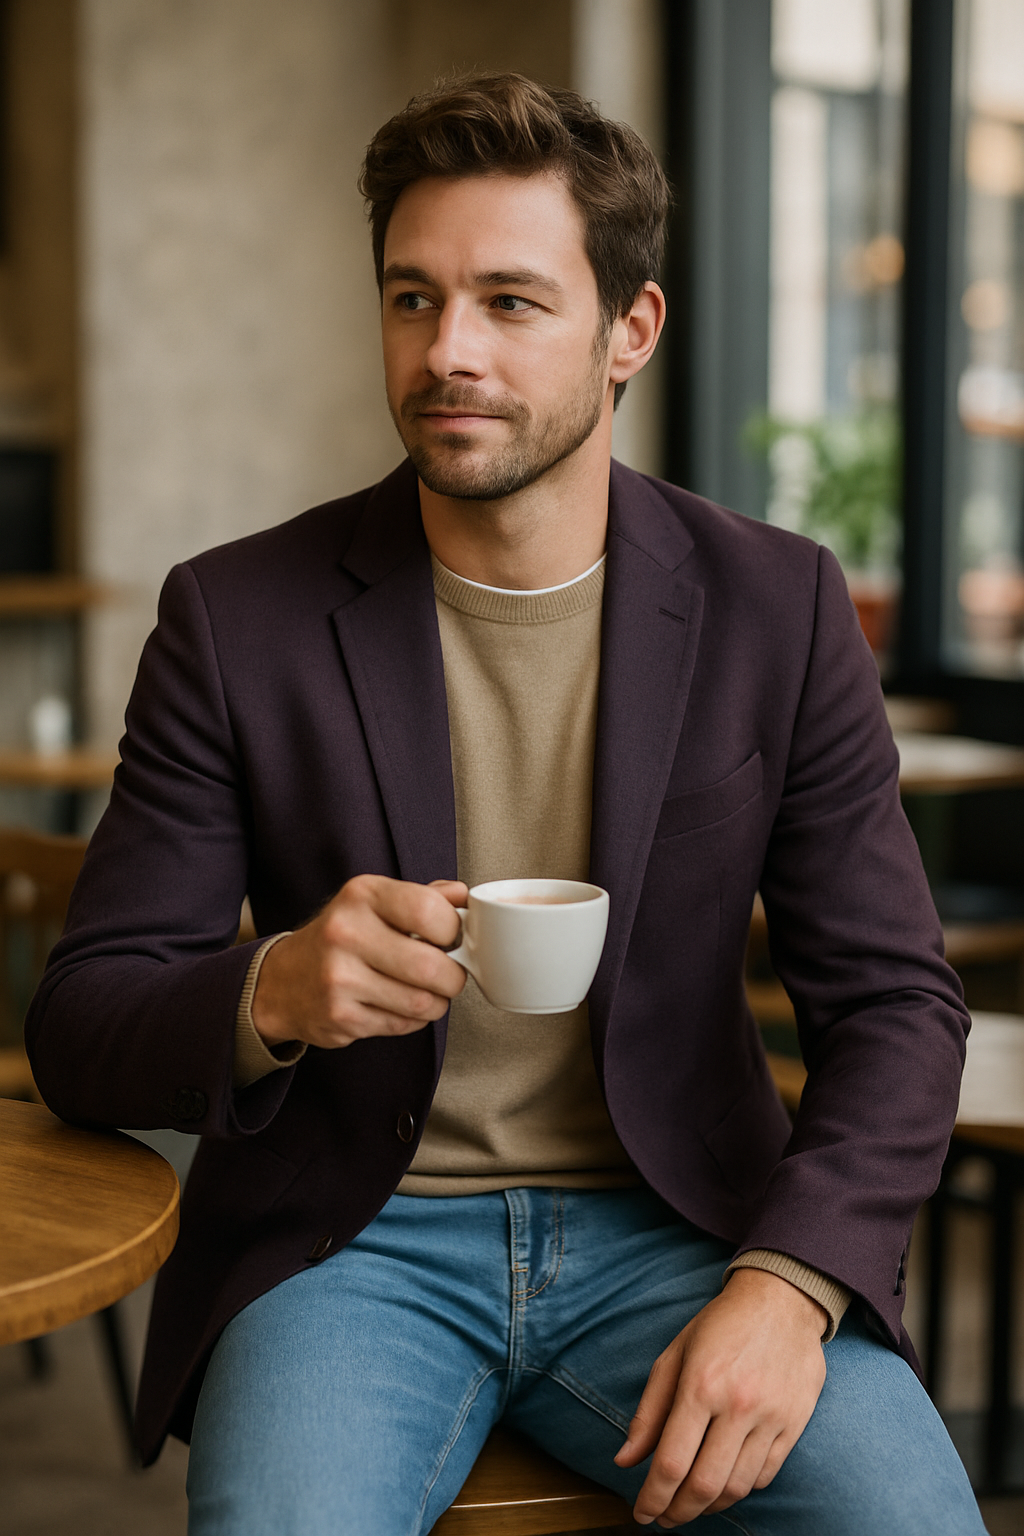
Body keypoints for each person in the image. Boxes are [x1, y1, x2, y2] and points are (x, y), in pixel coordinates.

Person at [27, 73, 984, 1535]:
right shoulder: (237, 617)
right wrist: (272, 988)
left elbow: (899, 1009)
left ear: (630, 332)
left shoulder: (775, 609)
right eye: (412, 300)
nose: (446, 352)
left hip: (688, 1231)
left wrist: (792, 1288)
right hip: (350, 1248)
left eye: (509, 303)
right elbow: (83, 1024)